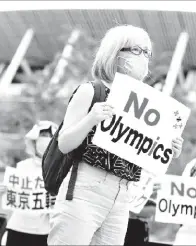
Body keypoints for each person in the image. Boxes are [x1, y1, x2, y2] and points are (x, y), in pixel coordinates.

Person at [47, 24, 184, 246]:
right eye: (137, 50)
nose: (144, 58)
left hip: (121, 198)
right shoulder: (91, 91)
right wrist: (91, 119)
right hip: (84, 189)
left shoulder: (148, 103)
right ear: (116, 52)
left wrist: (169, 149)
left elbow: (147, 153)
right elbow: (64, 143)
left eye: (147, 52)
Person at [0, 121, 59, 246]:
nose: (44, 143)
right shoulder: (22, 166)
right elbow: (13, 193)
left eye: (49, 139)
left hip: (44, 230)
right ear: (34, 142)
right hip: (18, 227)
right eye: (41, 139)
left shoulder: (58, 169)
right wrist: (4, 189)